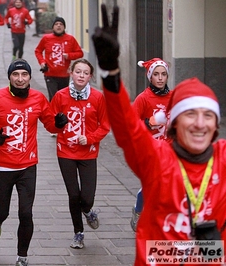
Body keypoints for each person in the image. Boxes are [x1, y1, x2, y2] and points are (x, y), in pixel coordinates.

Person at [92, 4, 226, 265]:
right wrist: (110, 74)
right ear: (175, 123)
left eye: (207, 116)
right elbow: (127, 129)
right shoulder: (157, 158)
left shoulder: (223, 158)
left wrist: (217, 244)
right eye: (190, 114)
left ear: (216, 126)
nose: (199, 124)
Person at [0, 59, 68, 266]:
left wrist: (59, 124)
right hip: (2, 165)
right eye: (15, 75)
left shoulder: (38, 98)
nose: (20, 79)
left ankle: (22, 256)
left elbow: (50, 125)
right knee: (2, 211)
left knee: (26, 213)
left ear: (30, 77)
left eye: (24, 75)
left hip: (27, 165)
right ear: (9, 77)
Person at [50, 58, 110, 249]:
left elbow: (105, 126)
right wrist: (57, 124)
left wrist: (90, 138)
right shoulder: (60, 96)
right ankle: (78, 233)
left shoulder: (98, 97)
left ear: (90, 76)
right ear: (71, 73)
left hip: (88, 153)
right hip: (65, 151)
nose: (81, 75)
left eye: (85, 72)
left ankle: (88, 210)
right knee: (73, 195)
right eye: (78, 71)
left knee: (87, 197)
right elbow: (51, 123)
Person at [130, 58, 173, 232]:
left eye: (163, 74)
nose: (160, 78)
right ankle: (139, 210)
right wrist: (149, 122)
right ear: (150, 77)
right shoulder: (143, 98)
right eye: (156, 74)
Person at [35, 16, 83, 102]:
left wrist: (69, 56)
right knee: (53, 98)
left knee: (63, 99)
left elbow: (80, 53)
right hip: (50, 74)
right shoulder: (46, 38)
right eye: (56, 24)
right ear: (53, 27)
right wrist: (42, 62)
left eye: (61, 24)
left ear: (64, 27)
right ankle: (53, 115)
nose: (58, 26)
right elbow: (38, 51)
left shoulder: (70, 39)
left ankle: (61, 114)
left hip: (64, 75)